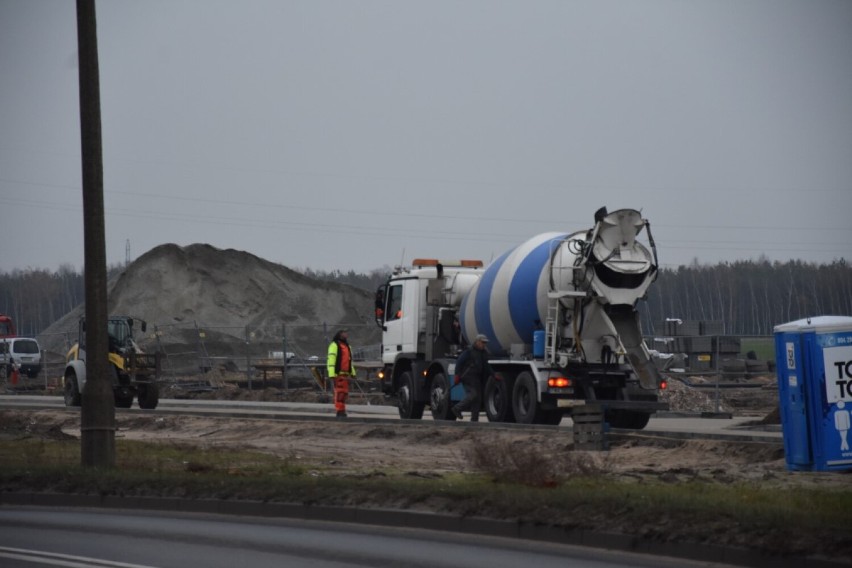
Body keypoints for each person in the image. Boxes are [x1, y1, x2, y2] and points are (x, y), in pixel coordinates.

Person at [451, 334, 494, 422]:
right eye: (483, 342)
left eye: (485, 343)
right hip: (467, 377)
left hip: (476, 378)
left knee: (477, 400)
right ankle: (457, 408)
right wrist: (456, 375)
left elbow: (486, 366)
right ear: (477, 342)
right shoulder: (469, 351)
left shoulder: (483, 353)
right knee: (473, 394)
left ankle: (474, 421)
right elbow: (459, 362)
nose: (484, 344)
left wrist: (493, 374)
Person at [327, 329, 356, 418]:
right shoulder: (335, 345)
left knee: (344, 394)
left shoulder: (347, 346)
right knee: (340, 393)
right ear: (340, 335)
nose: (346, 334)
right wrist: (332, 373)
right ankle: (340, 411)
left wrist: (352, 373)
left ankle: (342, 410)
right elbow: (331, 359)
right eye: (344, 333)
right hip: (339, 374)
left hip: (345, 374)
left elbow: (349, 361)